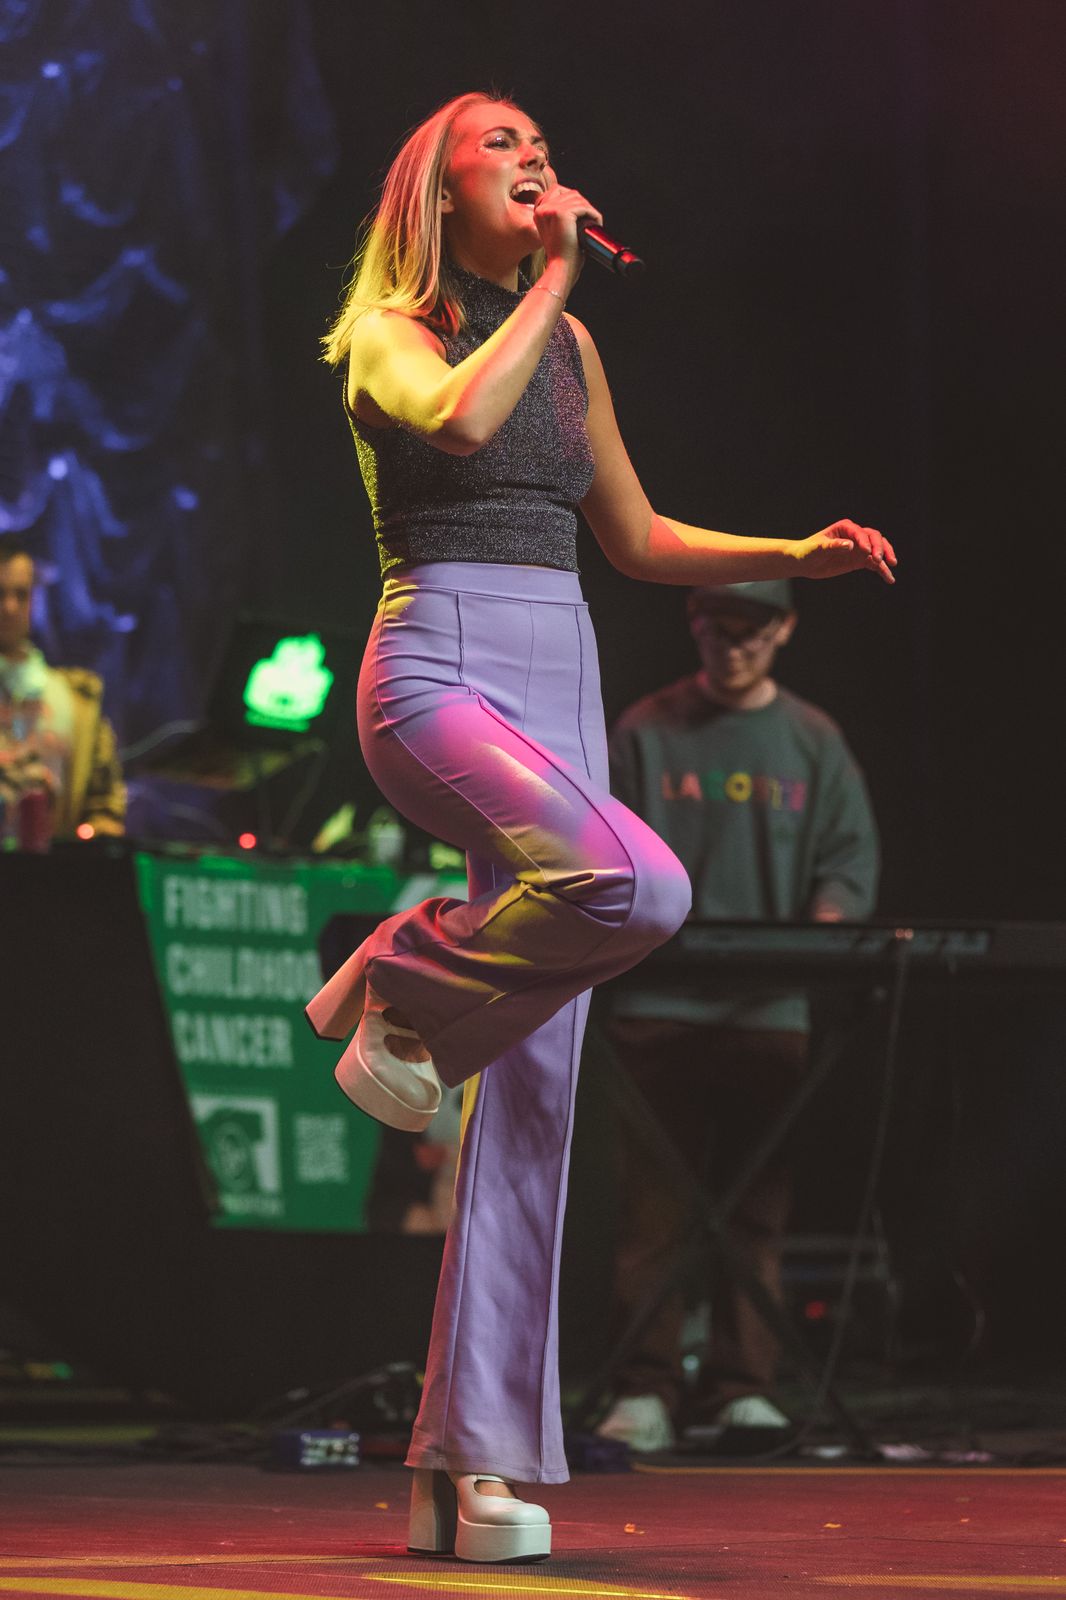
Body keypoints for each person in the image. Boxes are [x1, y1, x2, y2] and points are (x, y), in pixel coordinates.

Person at [308, 90, 896, 1564]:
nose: (533, 160)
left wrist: (791, 551)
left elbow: (634, 538)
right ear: (437, 192)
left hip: (559, 667)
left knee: (536, 1101)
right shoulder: (389, 332)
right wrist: (557, 273)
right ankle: (398, 978)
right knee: (641, 887)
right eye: (500, 147)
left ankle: (472, 1461)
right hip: (436, 664)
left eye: (542, 148)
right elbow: (458, 419)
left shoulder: (569, 347)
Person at [596, 578, 880, 1454]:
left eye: (752, 631)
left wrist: (822, 933)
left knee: (758, 1214)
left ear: (785, 631)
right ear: (695, 626)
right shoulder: (646, 729)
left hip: (769, 1008)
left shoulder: (813, 739)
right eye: (719, 628)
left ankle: (740, 1389)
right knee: (652, 1213)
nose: (734, 646)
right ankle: (645, 1388)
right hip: (657, 1002)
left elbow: (848, 864)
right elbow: (603, 845)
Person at [0, 535, 125, 846]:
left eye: (21, 594)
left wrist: (94, 841)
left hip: (49, 868)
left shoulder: (75, 699)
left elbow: (104, 807)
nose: (9, 607)